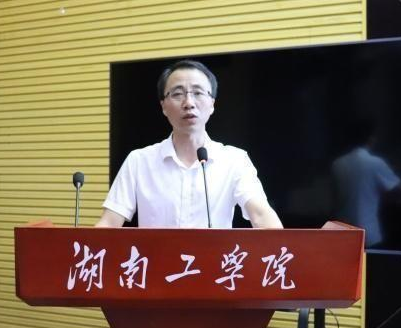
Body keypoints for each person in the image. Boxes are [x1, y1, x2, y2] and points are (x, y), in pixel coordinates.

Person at [95, 59, 282, 229]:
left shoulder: (235, 160)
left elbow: (261, 216)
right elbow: (109, 224)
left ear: (212, 104)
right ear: (163, 106)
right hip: (157, 257)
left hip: (212, 257)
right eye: (177, 94)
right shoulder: (139, 161)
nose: (189, 103)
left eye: (198, 93)